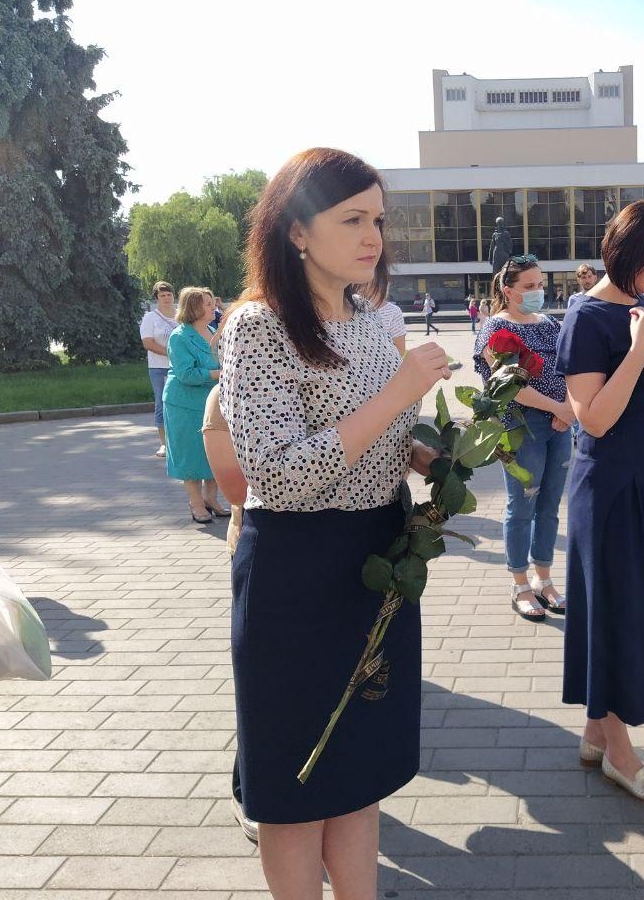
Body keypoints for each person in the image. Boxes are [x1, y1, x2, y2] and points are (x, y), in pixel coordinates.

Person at [218, 147, 450, 899]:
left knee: (358, 772)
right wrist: (400, 392)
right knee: (296, 783)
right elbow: (278, 475)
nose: (372, 236)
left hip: (377, 554)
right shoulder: (260, 326)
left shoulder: (365, 319)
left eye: (377, 219)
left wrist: (426, 458)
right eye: (352, 219)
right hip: (300, 569)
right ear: (295, 231)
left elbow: (371, 437)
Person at [556, 200, 644, 807]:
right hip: (612, 489)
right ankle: (620, 754)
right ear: (623, 251)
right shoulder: (586, 317)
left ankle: (598, 735)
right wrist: (640, 349)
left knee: (641, 604)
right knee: (618, 612)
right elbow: (592, 418)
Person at [474, 258, 573, 622]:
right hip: (522, 427)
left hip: (560, 426)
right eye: (529, 287)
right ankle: (520, 584)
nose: (537, 292)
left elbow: (572, 368)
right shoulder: (496, 329)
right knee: (522, 506)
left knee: (549, 505)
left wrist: (569, 409)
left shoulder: (550, 324)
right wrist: (559, 408)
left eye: (540, 285)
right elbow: (510, 386)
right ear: (508, 290)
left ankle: (543, 578)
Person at [201, 382, 257, 844]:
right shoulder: (225, 397)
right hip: (264, 543)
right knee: (267, 682)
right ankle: (250, 790)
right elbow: (237, 488)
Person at [164, 287, 226, 524]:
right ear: (194, 308)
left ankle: (212, 498)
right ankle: (196, 502)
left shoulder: (212, 331)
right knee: (190, 454)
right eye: (208, 304)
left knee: (213, 453)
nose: (213, 307)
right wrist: (220, 374)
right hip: (184, 405)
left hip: (211, 402)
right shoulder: (179, 337)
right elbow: (186, 374)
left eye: (212, 303)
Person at [140, 281, 178, 458]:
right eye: (162, 295)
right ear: (157, 298)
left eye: (169, 294)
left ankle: (178, 441)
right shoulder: (151, 317)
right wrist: (172, 354)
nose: (166, 298)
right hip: (159, 367)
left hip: (180, 366)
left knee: (180, 403)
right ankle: (164, 443)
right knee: (161, 404)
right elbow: (148, 343)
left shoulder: (180, 315)